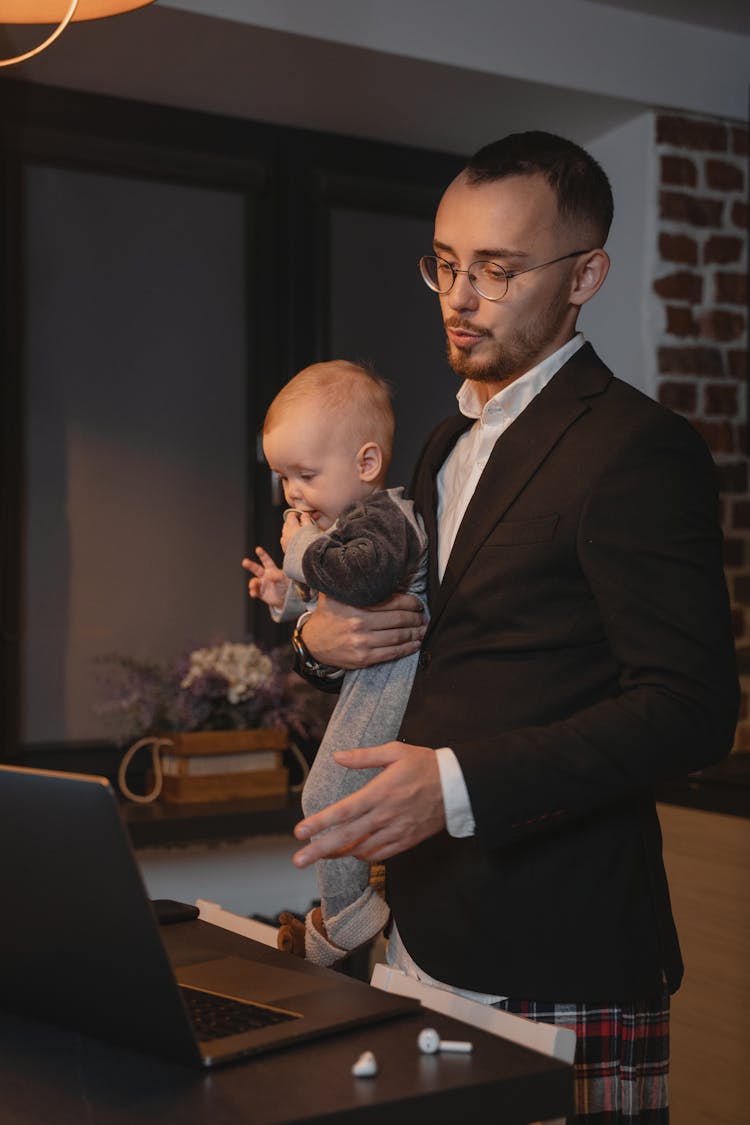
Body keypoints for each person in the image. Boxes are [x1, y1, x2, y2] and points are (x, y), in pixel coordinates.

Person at [284, 133, 739, 1122]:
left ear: (586, 276)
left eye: (496, 270)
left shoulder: (639, 450)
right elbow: (427, 640)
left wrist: (451, 787)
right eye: (445, 264)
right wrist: (314, 646)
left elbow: (695, 710)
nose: (459, 296)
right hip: (424, 926)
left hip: (559, 945)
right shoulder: (444, 440)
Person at [242, 359, 428, 966]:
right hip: (367, 681)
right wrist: (285, 596)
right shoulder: (348, 522)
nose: (293, 493)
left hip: (392, 679)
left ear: (366, 464)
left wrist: (298, 549)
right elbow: (333, 596)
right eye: (283, 478)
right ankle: (345, 919)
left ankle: (345, 928)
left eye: (306, 475)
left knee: (328, 802)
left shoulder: (384, 519)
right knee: (327, 800)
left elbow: (361, 577)